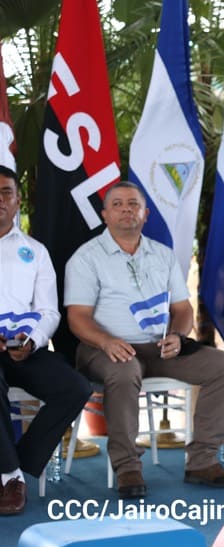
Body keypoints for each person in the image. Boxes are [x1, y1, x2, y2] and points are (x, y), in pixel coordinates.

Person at [64, 181, 224, 499]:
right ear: (105, 215)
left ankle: (202, 461)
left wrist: (177, 336)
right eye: (117, 204)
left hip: (159, 347)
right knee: (124, 369)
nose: (126, 209)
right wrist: (106, 341)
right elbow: (77, 317)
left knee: (222, 365)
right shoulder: (86, 258)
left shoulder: (163, 255)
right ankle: (127, 466)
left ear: (145, 214)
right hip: (102, 348)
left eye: (133, 204)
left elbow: (182, 309)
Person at [0, 165, 91, 515]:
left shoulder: (35, 251)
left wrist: (32, 340)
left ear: (18, 200)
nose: (0, 200)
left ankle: (17, 462)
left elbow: (49, 311)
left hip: (23, 348)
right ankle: (10, 478)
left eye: (6, 192)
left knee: (76, 387)